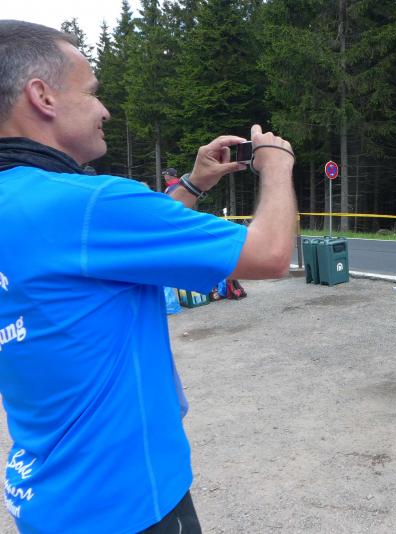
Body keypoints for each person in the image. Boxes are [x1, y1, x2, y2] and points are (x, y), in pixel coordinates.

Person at [0, 21, 297, 533]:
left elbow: (102, 253)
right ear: (42, 96)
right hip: (130, 501)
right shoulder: (91, 203)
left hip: (46, 499)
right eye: (91, 92)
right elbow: (270, 254)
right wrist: (277, 166)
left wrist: (193, 184)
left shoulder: (27, 206)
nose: (104, 110)